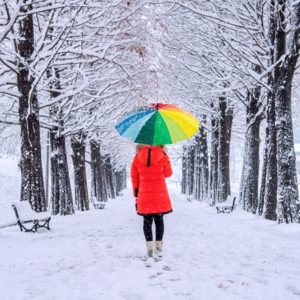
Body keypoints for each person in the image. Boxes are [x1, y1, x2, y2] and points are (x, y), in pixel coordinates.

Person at [130, 144, 173, 257]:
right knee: (159, 221)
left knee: (147, 222)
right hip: (160, 194)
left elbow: (134, 177)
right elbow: (168, 174)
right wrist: (165, 156)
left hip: (144, 194)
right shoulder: (163, 155)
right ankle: (159, 245)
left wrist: (136, 194)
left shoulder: (137, 157)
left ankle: (149, 247)